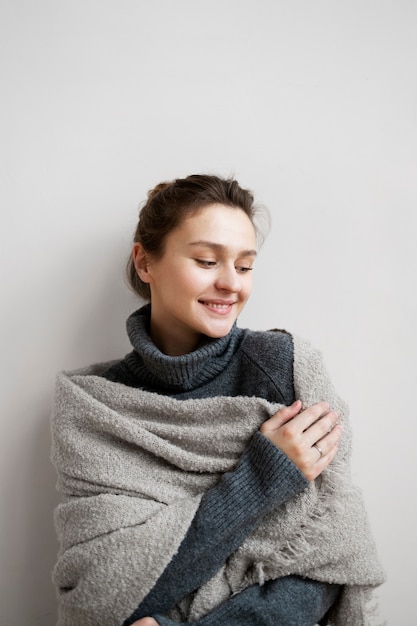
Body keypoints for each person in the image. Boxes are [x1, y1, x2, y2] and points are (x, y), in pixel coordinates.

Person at [51, 174, 385, 626]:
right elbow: (102, 596)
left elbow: (331, 554)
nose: (232, 284)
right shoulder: (95, 409)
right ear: (145, 263)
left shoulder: (286, 367)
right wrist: (261, 483)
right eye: (208, 261)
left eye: (245, 266)